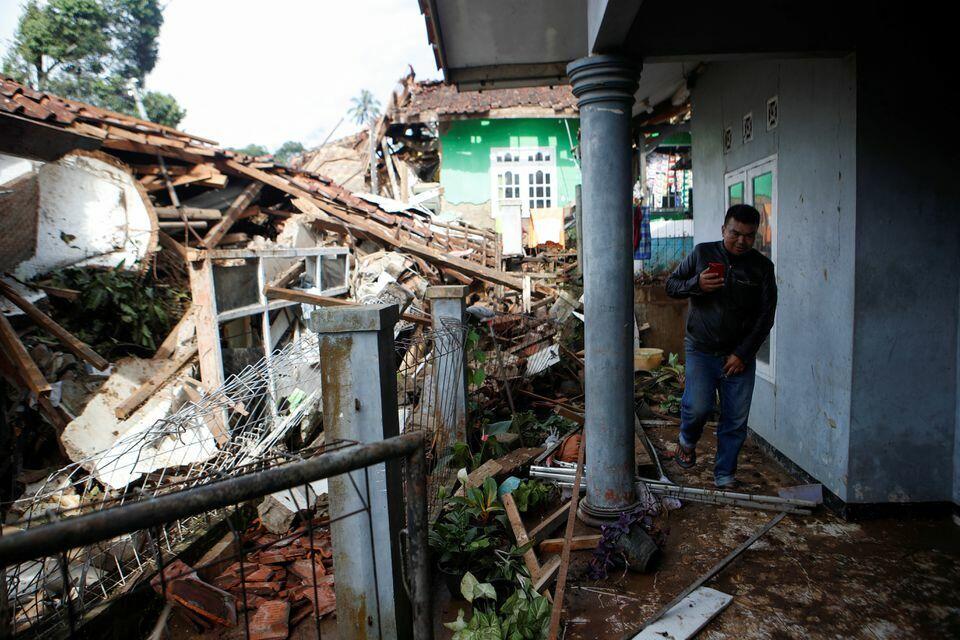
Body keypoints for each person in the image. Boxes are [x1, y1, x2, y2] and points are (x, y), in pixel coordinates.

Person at [665, 204, 777, 488]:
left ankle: (725, 475)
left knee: (735, 420)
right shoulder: (703, 253)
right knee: (697, 407)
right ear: (723, 230)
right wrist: (697, 284)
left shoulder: (762, 268)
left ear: (757, 236)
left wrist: (743, 353)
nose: (741, 241)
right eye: (734, 233)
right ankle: (687, 440)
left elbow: (766, 317)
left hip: (738, 355)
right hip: (701, 349)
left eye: (749, 236)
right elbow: (671, 285)